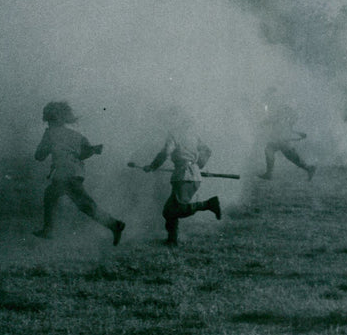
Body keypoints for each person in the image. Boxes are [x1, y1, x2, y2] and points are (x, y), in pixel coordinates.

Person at [33, 101, 125, 245]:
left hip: (64, 174)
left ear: (50, 118)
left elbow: (39, 156)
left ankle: (114, 225)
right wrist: (93, 150)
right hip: (75, 174)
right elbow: (84, 154)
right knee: (67, 200)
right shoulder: (76, 135)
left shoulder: (50, 133)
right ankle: (48, 229)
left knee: (82, 204)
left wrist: (46, 148)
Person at [143, 109, 222, 246]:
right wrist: (198, 165)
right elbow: (207, 151)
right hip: (189, 175)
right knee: (168, 211)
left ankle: (209, 204)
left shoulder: (174, 134)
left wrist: (152, 166)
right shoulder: (193, 135)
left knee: (179, 209)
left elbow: (165, 153)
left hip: (184, 177)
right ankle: (172, 240)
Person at [258, 87, 316, 181]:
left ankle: (309, 168)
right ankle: (308, 168)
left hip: (282, 135)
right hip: (281, 135)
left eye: (269, 94)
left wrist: (264, 122)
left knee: (275, 150)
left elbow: (276, 118)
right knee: (284, 153)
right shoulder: (278, 104)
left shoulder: (278, 104)